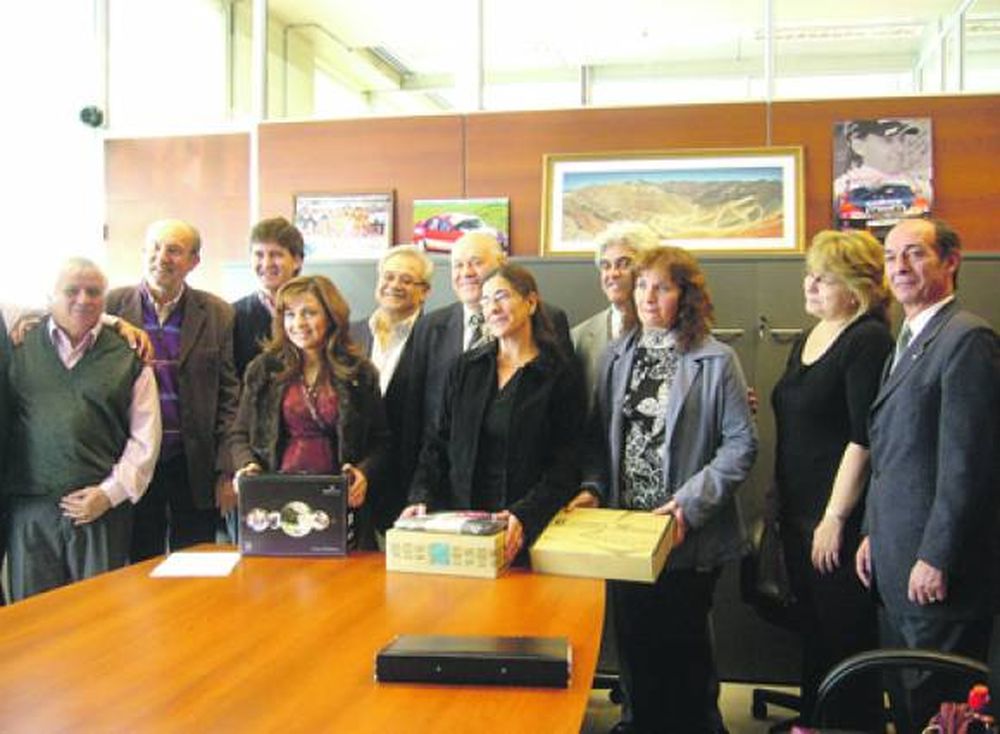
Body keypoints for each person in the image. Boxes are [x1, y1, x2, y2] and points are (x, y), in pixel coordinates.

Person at [576, 245, 757, 734]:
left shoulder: (716, 359)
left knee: (684, 646)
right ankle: (639, 722)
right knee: (634, 641)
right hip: (625, 531)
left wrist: (688, 506)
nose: (648, 297)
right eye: (641, 286)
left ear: (686, 295)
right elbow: (597, 438)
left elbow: (741, 445)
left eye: (662, 287)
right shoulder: (618, 356)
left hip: (684, 531)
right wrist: (593, 488)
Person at [856, 218, 1000, 733]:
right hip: (896, 563)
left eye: (915, 254)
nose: (899, 266)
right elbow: (894, 452)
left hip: (936, 578)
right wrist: (872, 531)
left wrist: (936, 556)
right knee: (908, 702)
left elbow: (968, 465)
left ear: (951, 261)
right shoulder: (911, 337)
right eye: (892, 256)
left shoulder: (966, 339)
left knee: (941, 713)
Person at [770, 229, 893, 729]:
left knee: (845, 634)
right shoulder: (809, 334)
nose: (811, 285)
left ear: (857, 287)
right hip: (797, 511)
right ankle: (815, 721)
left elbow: (862, 437)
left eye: (825, 278)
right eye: (810, 275)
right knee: (814, 629)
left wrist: (835, 518)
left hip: (836, 516)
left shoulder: (867, 338)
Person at [402, 263, 584, 565]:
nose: (492, 307)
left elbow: (566, 463)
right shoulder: (465, 368)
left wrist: (524, 515)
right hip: (463, 529)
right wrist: (420, 497)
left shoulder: (558, 373)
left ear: (531, 302)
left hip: (527, 530)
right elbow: (437, 443)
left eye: (502, 296)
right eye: (485, 300)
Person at [4, 258, 161, 600]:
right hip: (31, 511)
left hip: (100, 511)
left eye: (94, 292)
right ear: (50, 296)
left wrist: (109, 494)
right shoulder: (16, 347)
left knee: (100, 620)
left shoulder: (130, 355)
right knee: (34, 624)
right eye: (71, 291)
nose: (83, 299)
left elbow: (145, 439)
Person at [106, 218, 240, 561]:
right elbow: (63, 316)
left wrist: (227, 469)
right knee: (138, 563)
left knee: (197, 563)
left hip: (193, 462)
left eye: (174, 250)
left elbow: (229, 396)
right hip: (131, 460)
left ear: (194, 261)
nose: (161, 257)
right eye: (154, 247)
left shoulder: (217, 313)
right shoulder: (110, 306)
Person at [229, 275, 389, 550]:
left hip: (339, 503)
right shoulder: (264, 369)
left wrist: (364, 473)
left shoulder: (359, 373)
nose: (298, 323)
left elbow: (382, 441)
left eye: (309, 313)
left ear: (331, 317)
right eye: (290, 314)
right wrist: (246, 465)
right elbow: (239, 434)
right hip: (276, 504)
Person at [406, 231, 571, 454]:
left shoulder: (549, 318)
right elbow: (414, 411)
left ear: (502, 263)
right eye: (458, 265)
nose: (466, 273)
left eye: (475, 262)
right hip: (447, 472)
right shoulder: (428, 326)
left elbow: (565, 411)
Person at [348, 245, 432, 535]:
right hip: (355, 478)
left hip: (407, 482)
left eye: (407, 280)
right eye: (388, 276)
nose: (394, 285)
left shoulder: (437, 337)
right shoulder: (348, 335)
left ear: (425, 292)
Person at [572, 221, 658, 406]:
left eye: (624, 263)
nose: (612, 274)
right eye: (605, 266)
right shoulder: (578, 338)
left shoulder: (672, 332)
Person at [232, 216, 305, 379]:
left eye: (276, 255)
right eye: (259, 255)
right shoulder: (233, 315)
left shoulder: (315, 312)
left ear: (297, 261)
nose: (266, 263)